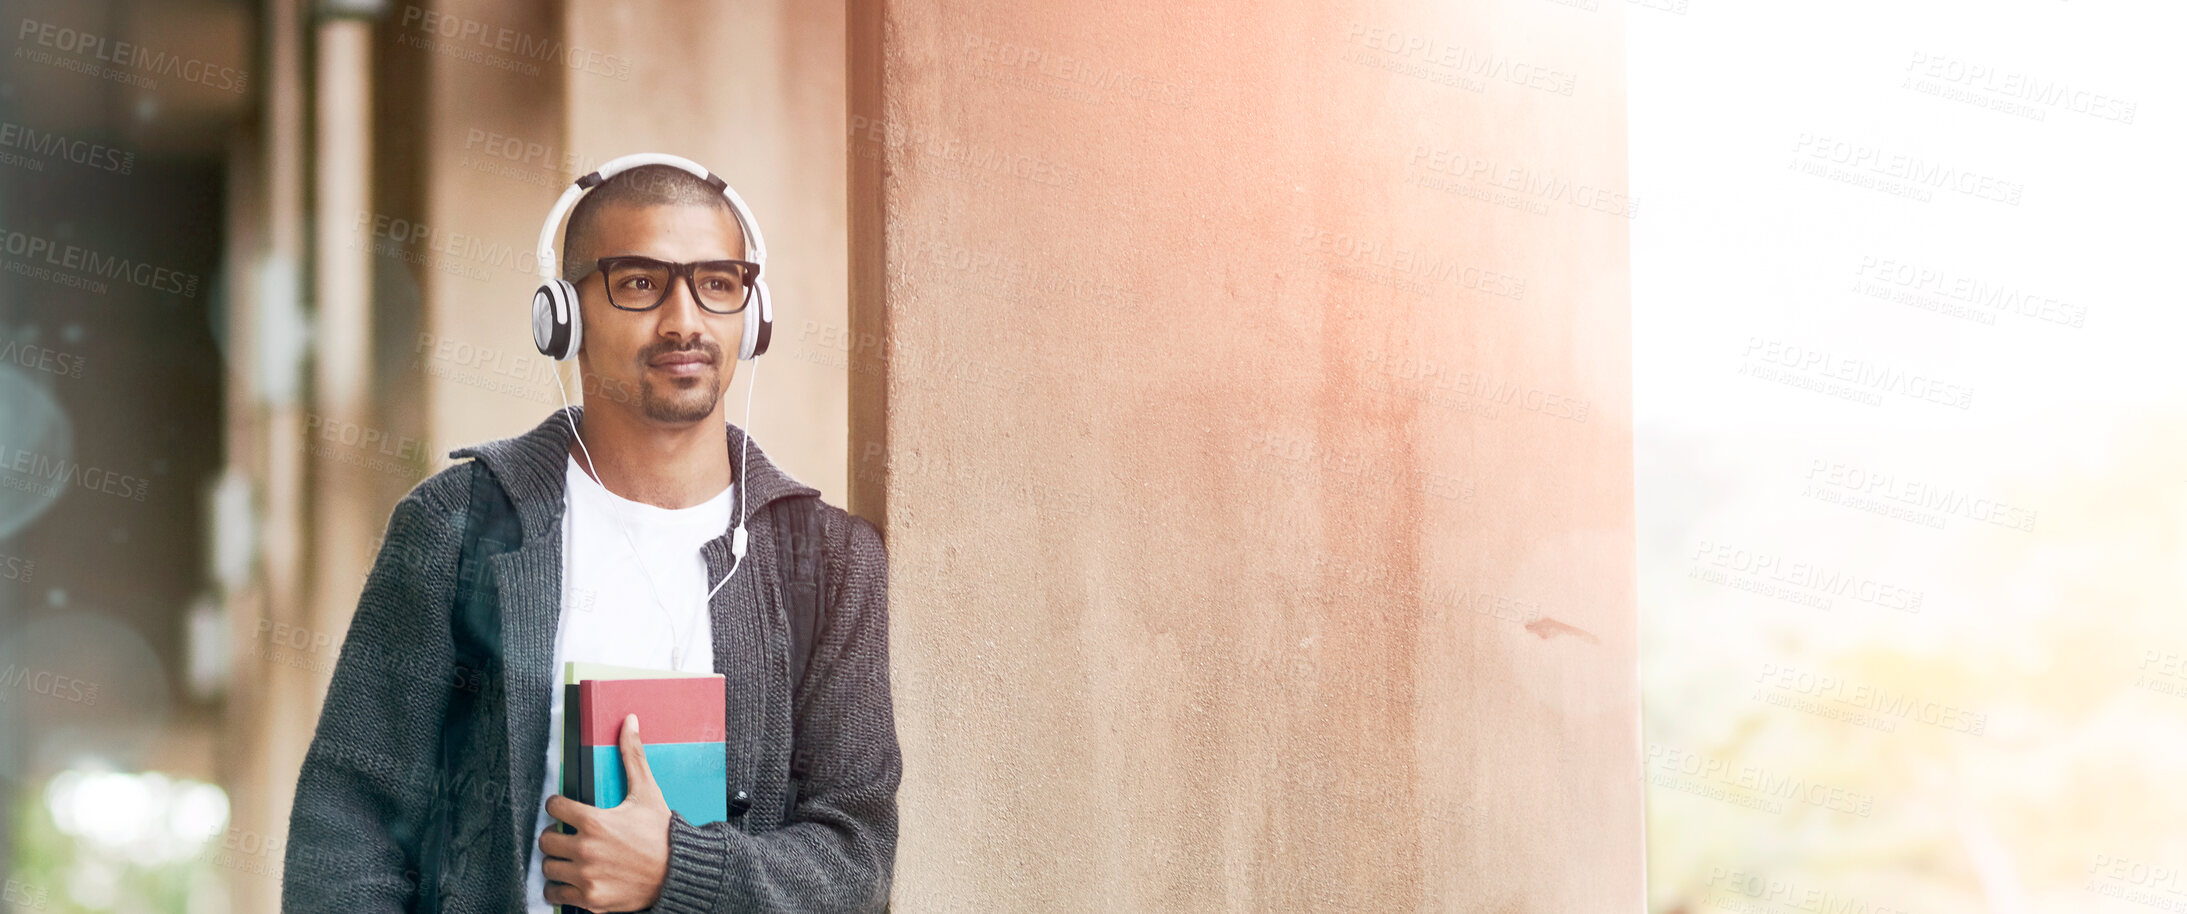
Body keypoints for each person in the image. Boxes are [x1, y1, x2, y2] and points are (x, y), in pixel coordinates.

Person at [282, 157, 900, 913]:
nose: (684, 321)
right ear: (561, 316)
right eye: (639, 283)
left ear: (752, 312)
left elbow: (855, 859)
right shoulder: (458, 525)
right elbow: (348, 828)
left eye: (718, 283)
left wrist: (681, 870)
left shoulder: (830, 562)